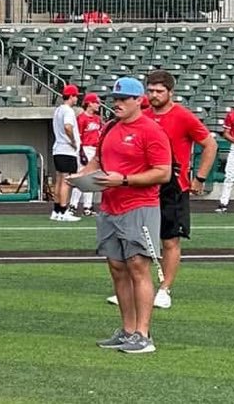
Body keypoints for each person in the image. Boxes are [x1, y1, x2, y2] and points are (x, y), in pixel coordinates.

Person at [82, 77, 171, 355]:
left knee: (138, 266)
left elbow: (163, 172)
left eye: (122, 99)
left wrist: (124, 180)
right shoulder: (110, 127)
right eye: (115, 98)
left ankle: (143, 334)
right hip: (110, 206)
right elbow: (98, 160)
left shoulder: (151, 130)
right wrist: (81, 177)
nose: (117, 103)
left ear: (138, 101)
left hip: (139, 206)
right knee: (117, 268)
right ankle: (128, 330)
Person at [131, 70, 217, 310]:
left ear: (171, 92)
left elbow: (210, 145)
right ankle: (138, 287)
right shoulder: (143, 116)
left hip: (174, 188)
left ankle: (164, 289)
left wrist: (199, 178)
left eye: (159, 91)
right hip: (145, 186)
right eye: (150, 91)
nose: (154, 95)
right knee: (138, 239)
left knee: (169, 240)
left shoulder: (183, 116)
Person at [51, 84, 83, 222]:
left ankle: (57, 210)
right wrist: (73, 141)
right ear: (71, 96)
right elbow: (68, 127)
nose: (77, 99)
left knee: (59, 180)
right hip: (66, 150)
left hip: (58, 149)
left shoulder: (58, 110)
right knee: (66, 181)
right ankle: (64, 211)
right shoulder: (68, 111)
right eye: (75, 96)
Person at [71, 94, 105, 216]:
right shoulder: (81, 118)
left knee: (91, 179)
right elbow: (78, 136)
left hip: (94, 149)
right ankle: (73, 205)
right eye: (96, 102)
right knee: (81, 177)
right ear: (89, 103)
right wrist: (80, 151)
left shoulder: (97, 119)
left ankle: (87, 206)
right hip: (85, 148)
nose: (98, 105)